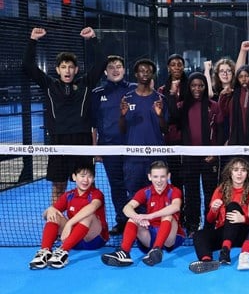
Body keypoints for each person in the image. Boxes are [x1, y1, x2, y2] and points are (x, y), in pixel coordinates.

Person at [22, 26, 106, 202]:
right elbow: (28, 66)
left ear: (76, 70)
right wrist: (32, 40)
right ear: (58, 69)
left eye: (71, 67)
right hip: (58, 141)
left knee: (86, 186)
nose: (67, 70)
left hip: (82, 141)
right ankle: (58, 224)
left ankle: (86, 224)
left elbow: (101, 62)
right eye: (63, 67)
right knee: (58, 187)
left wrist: (93, 39)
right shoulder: (49, 84)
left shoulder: (86, 83)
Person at [101, 161, 185, 267]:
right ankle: (124, 253)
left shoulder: (174, 191)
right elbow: (127, 208)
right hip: (150, 236)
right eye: (155, 177)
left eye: (162, 177)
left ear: (168, 176)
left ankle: (156, 250)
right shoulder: (145, 192)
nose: (159, 181)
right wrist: (138, 217)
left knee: (167, 215)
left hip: (170, 238)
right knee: (132, 219)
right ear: (149, 177)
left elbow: (175, 206)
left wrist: (149, 216)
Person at [169, 72, 224, 235]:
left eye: (200, 85)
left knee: (210, 191)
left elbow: (221, 130)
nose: (197, 88)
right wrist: (172, 94)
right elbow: (172, 118)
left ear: (205, 87)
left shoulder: (214, 106)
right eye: (193, 85)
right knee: (191, 192)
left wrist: (215, 152)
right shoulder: (181, 106)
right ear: (189, 87)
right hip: (189, 158)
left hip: (209, 157)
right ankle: (192, 224)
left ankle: (210, 223)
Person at [29, 162, 109, 269]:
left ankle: (63, 251)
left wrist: (70, 223)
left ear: (93, 179)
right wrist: (50, 210)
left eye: (89, 176)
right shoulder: (69, 195)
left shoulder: (96, 194)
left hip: (93, 239)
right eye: (82, 176)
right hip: (74, 240)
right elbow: (46, 216)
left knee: (88, 215)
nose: (86, 180)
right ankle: (45, 251)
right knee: (54, 214)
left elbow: (92, 207)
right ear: (74, 177)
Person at [91, 55, 135, 235]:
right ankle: (122, 221)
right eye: (111, 67)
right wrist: (96, 149)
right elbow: (93, 124)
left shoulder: (135, 89)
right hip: (109, 148)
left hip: (134, 148)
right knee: (116, 186)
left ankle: (136, 220)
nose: (115, 70)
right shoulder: (97, 93)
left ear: (124, 70)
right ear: (105, 71)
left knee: (134, 185)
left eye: (119, 66)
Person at [188, 158, 249, 274]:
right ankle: (207, 261)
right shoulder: (221, 189)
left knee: (233, 206)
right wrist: (213, 210)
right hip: (225, 231)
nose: (239, 173)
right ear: (230, 172)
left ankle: (225, 250)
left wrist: (243, 218)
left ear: (247, 173)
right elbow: (210, 219)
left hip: (244, 232)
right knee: (199, 235)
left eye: (243, 170)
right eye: (235, 170)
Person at [120, 58, 168, 197]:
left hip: (156, 156)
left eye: (148, 71)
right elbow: (122, 130)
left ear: (153, 74)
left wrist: (159, 116)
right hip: (133, 158)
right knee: (135, 196)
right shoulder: (127, 99)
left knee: (158, 195)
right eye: (141, 71)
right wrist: (122, 116)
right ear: (136, 74)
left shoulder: (160, 99)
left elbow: (165, 130)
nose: (145, 74)